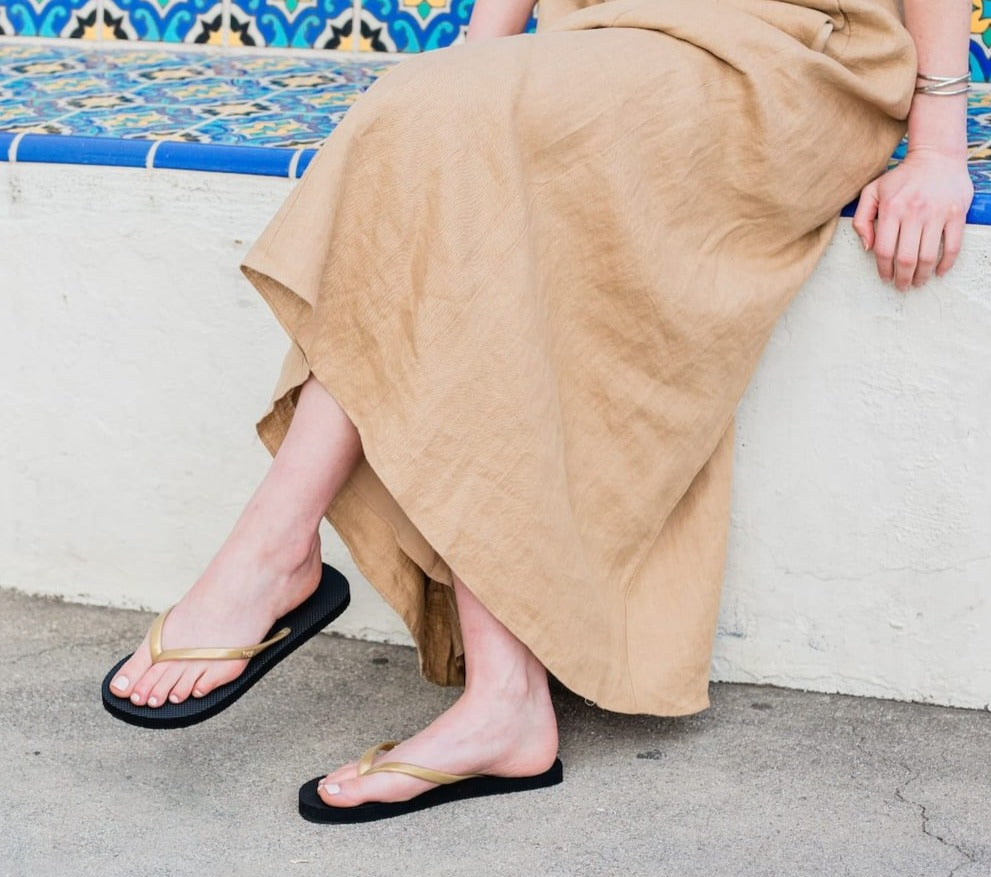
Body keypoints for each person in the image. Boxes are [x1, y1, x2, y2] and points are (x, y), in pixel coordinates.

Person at [102, 0, 974, 823]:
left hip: (782, 51)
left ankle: (276, 550)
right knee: (441, 133)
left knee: (450, 130)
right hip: (596, 32)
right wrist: (488, 47)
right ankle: (500, 696)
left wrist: (938, 142)